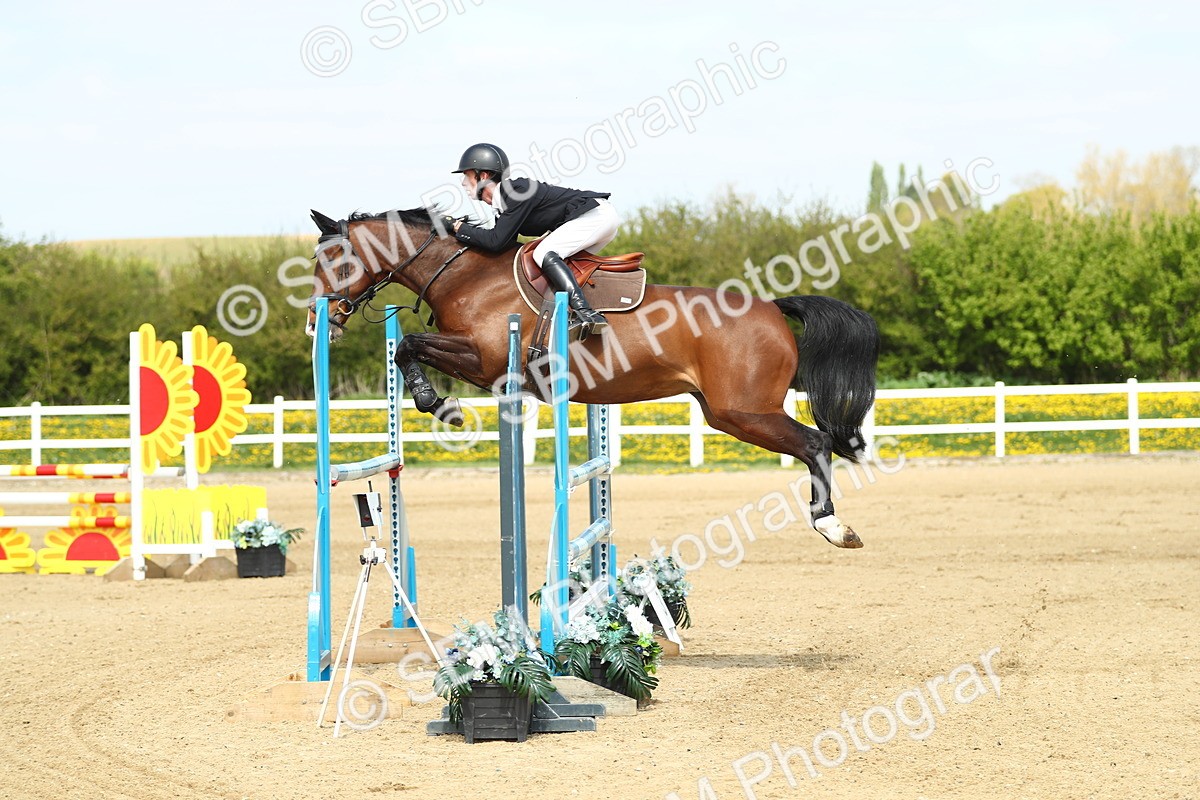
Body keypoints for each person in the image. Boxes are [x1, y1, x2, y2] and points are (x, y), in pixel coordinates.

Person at [442, 143, 616, 334]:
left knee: (544, 253)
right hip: (595, 218)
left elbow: (495, 241)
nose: (463, 183)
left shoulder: (516, 190)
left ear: (483, 176)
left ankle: (586, 313)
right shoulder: (503, 205)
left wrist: (457, 226)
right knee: (558, 264)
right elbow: (502, 246)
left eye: (467, 176)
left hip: (595, 215)